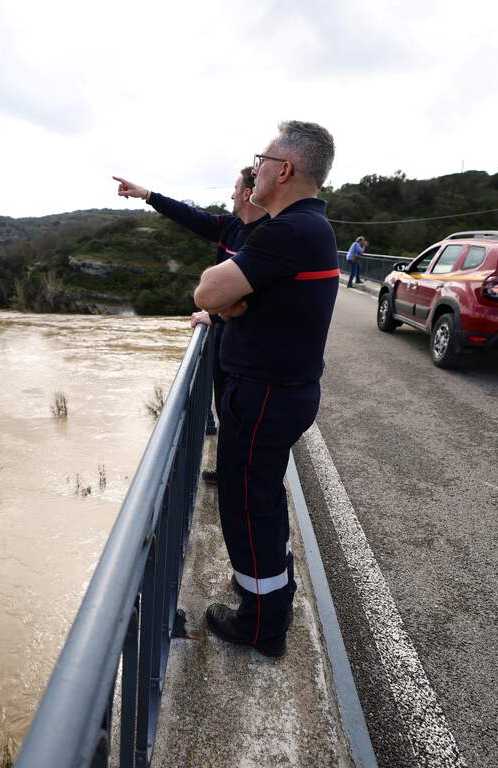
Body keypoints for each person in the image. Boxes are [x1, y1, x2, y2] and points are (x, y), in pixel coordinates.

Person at [192, 120, 338, 657]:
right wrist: (231, 304)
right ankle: (270, 592)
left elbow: (210, 291)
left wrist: (225, 302)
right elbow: (231, 302)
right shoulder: (306, 228)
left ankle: (261, 624)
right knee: (263, 500)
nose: (254, 169)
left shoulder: (289, 231)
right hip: (279, 393)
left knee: (248, 506)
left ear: (285, 169)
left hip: (267, 395)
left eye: (261, 159)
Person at [113, 169, 268, 484]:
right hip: (225, 339)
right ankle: (230, 472)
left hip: (246, 346)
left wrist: (211, 315)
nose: (231, 195)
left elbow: (255, 297)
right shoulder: (231, 227)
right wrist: (148, 195)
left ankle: (246, 479)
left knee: (242, 417)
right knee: (227, 410)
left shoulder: (265, 235)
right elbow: (189, 216)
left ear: (248, 193)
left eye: (235, 189)